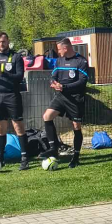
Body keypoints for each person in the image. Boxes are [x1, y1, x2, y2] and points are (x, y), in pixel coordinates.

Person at [0, 32, 30, 170]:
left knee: (18, 126)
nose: (1, 44)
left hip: (12, 95)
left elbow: (19, 77)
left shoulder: (16, 57)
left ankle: (24, 157)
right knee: (0, 128)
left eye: (3, 41)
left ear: (8, 41)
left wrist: (2, 73)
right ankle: (0, 157)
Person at [42, 37, 89, 167]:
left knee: (76, 126)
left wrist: (65, 87)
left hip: (75, 98)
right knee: (47, 116)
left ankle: (76, 157)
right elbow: (53, 76)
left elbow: (83, 81)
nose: (58, 52)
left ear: (66, 48)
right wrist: (53, 83)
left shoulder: (81, 61)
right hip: (61, 96)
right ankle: (53, 148)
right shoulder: (59, 60)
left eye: (59, 49)